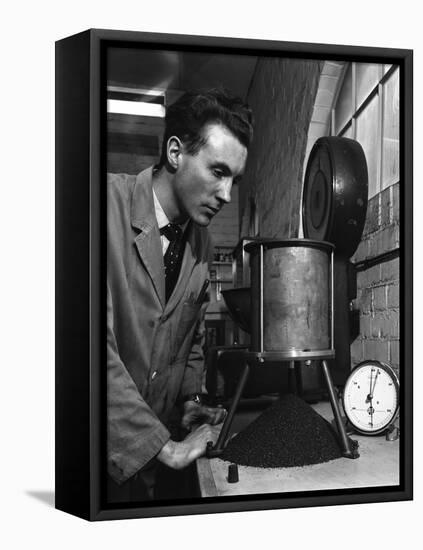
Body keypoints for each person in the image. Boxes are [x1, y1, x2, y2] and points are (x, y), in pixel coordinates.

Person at [107, 88, 253, 501]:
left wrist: (189, 399)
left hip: (151, 468)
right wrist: (165, 447)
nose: (226, 194)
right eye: (218, 172)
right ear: (175, 153)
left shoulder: (200, 243)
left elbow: (191, 335)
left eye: (234, 180)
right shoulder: (101, 207)